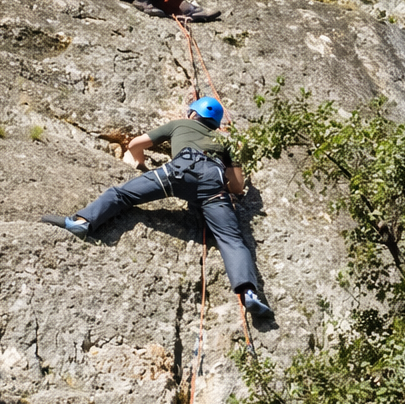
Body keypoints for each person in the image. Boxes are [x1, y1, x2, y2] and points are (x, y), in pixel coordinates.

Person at [42, 97, 274, 318]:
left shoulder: (180, 124)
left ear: (194, 113)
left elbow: (135, 145)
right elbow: (236, 186)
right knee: (232, 240)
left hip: (180, 171)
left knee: (122, 194)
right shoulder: (227, 141)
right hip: (213, 184)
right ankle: (249, 293)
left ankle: (83, 222)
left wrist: (142, 166)